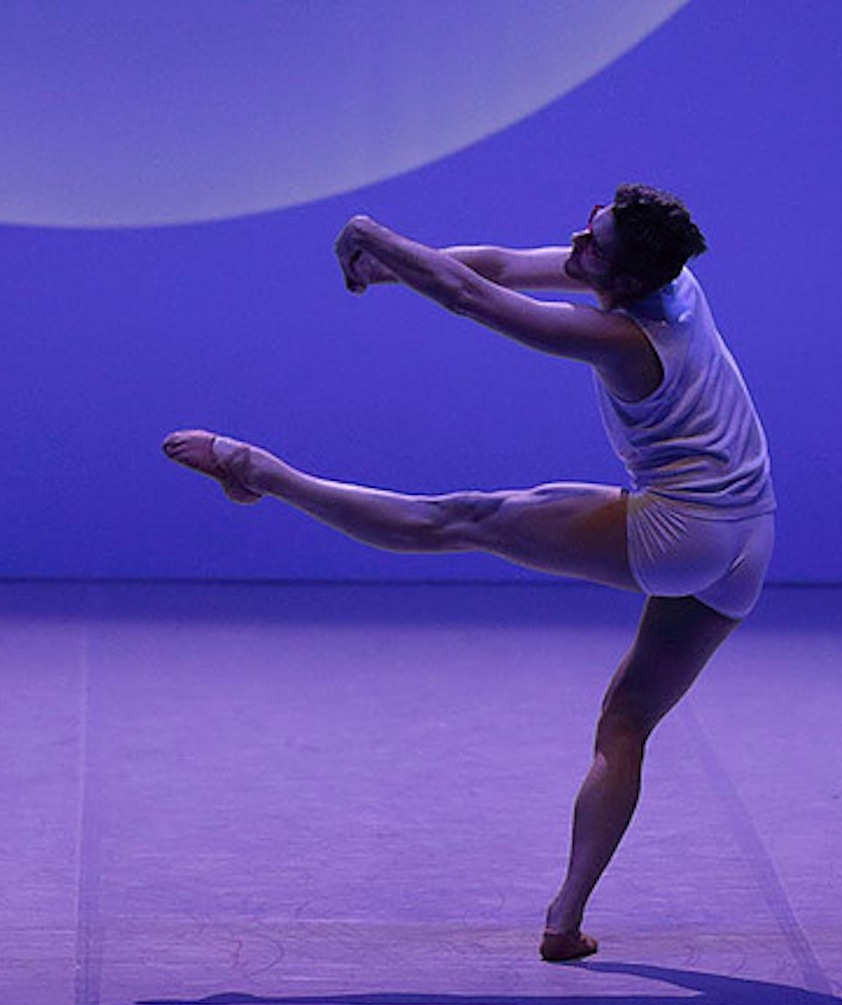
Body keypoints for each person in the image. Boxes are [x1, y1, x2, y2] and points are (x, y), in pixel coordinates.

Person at [164, 185, 774, 962]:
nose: (574, 246)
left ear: (622, 283)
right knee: (625, 722)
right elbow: (495, 265)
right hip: (751, 537)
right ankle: (564, 921)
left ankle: (258, 471)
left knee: (459, 520)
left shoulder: (625, 339)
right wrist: (388, 273)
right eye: (587, 227)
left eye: (592, 248)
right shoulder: (670, 281)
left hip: (683, 530)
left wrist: (371, 235)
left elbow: (473, 299)